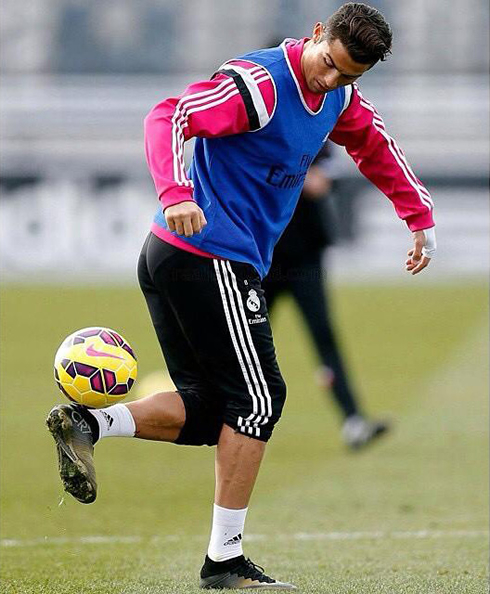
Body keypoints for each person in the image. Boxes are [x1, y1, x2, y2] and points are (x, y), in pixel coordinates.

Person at [46, 3, 436, 590]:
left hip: (190, 258)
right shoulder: (258, 84)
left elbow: (375, 146)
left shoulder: (339, 97)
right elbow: (169, 115)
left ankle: (88, 426)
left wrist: (418, 216)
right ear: (315, 35)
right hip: (207, 252)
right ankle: (224, 561)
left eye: (349, 76)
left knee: (211, 409)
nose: (332, 80)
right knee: (260, 399)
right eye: (329, 63)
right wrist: (177, 189)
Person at [263, 142, 389, 449]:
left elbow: (320, 183)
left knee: (324, 335)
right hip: (263, 256)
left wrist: (289, 174)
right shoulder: (260, 129)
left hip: (305, 256)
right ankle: (221, 414)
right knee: (251, 342)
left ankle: (353, 420)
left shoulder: (316, 130)